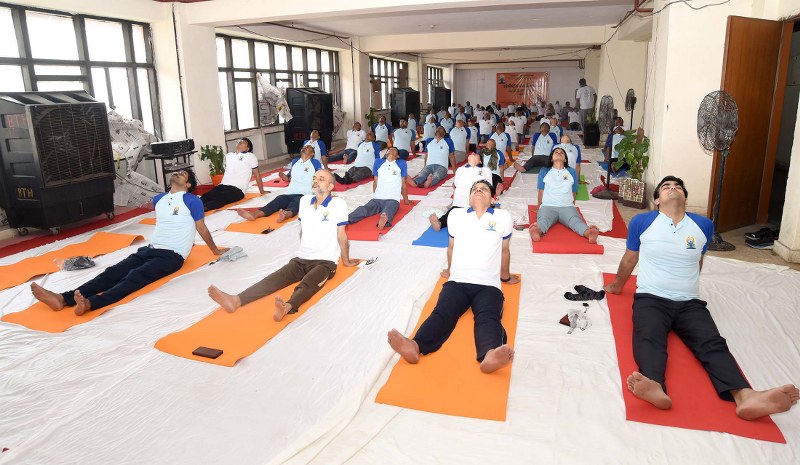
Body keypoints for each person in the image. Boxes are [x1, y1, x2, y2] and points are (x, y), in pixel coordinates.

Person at [603, 176, 799, 419]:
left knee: (712, 343)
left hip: (689, 302)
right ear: (657, 200)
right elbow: (630, 258)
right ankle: (654, 385)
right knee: (649, 336)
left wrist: (689, 287)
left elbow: (698, 260)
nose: (673, 189)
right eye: (666, 187)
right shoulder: (642, 222)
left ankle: (745, 396)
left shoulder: (703, 225)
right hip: (651, 298)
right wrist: (617, 285)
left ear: (685, 198)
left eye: (678, 187)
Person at [31, 169, 226, 315]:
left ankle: (91, 303)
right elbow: (172, 223)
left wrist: (215, 250)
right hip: (149, 249)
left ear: (188, 184)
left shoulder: (192, 201)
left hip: (172, 256)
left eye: (182, 173)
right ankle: (62, 299)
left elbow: (201, 228)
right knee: (112, 272)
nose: (177, 172)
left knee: (135, 276)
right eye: (176, 171)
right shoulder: (159, 199)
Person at [388, 179, 520, 373]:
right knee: (442, 313)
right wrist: (450, 271)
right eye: (474, 189)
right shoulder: (456, 215)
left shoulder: (503, 217)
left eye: (484, 189)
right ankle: (415, 346)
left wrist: (505, 277)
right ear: (469, 198)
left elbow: (505, 250)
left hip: (489, 284)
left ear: (493, 199)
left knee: (488, 317)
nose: (478, 191)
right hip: (458, 281)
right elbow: (451, 247)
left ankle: (490, 355)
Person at [209, 170, 359, 321]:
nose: (315, 181)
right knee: (273, 279)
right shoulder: (304, 201)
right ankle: (236, 300)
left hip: (326, 262)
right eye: (314, 178)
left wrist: (345, 261)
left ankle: (287, 307)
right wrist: (305, 250)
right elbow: (303, 230)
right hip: (301, 258)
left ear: (330, 186)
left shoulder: (338, 204)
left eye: (321, 179)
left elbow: (342, 235)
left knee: (308, 283)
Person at [528, 147, 598, 244]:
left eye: (561, 152)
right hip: (548, 206)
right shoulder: (544, 171)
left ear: (565, 159)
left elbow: (574, 192)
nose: (559, 153)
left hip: (567, 206)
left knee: (575, 221)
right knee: (543, 221)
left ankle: (589, 233)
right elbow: (541, 191)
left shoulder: (572, 172)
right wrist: (539, 208)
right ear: (551, 158)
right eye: (556, 152)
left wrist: (572, 207)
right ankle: (536, 232)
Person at [239, 145, 322, 223]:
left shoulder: (315, 163)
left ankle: (285, 215)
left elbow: (321, 178)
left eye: (308, 147)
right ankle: (254, 214)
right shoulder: (295, 161)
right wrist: (284, 176)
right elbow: (289, 177)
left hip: (305, 194)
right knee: (278, 200)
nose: (306, 147)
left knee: (296, 203)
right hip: (291, 192)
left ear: (312, 154)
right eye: (305, 147)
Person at [348, 147, 411, 230]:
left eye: (394, 149)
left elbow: (403, 184)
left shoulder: (401, 163)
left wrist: (406, 200)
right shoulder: (378, 162)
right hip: (377, 198)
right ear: (386, 153)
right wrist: (375, 195)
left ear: (398, 156)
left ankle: (384, 218)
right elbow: (375, 182)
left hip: (392, 199)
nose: (391, 150)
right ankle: (347, 219)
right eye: (389, 149)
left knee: (389, 210)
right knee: (364, 209)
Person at [428, 152, 492, 231]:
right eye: (472, 153)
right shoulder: (460, 169)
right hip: (460, 202)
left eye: (475, 154)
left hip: (477, 203)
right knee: (451, 214)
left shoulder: (485, 170)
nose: (473, 153)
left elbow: (489, 187)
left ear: (480, 161)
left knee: (482, 216)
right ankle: (440, 223)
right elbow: (456, 185)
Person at [200, 138, 266, 211]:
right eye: (240, 141)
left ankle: (201, 209)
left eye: (244, 142)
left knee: (220, 198)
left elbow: (257, 174)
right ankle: (194, 207)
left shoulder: (250, 156)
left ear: (247, 148)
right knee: (206, 196)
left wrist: (262, 191)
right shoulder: (229, 155)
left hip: (237, 189)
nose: (241, 142)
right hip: (222, 186)